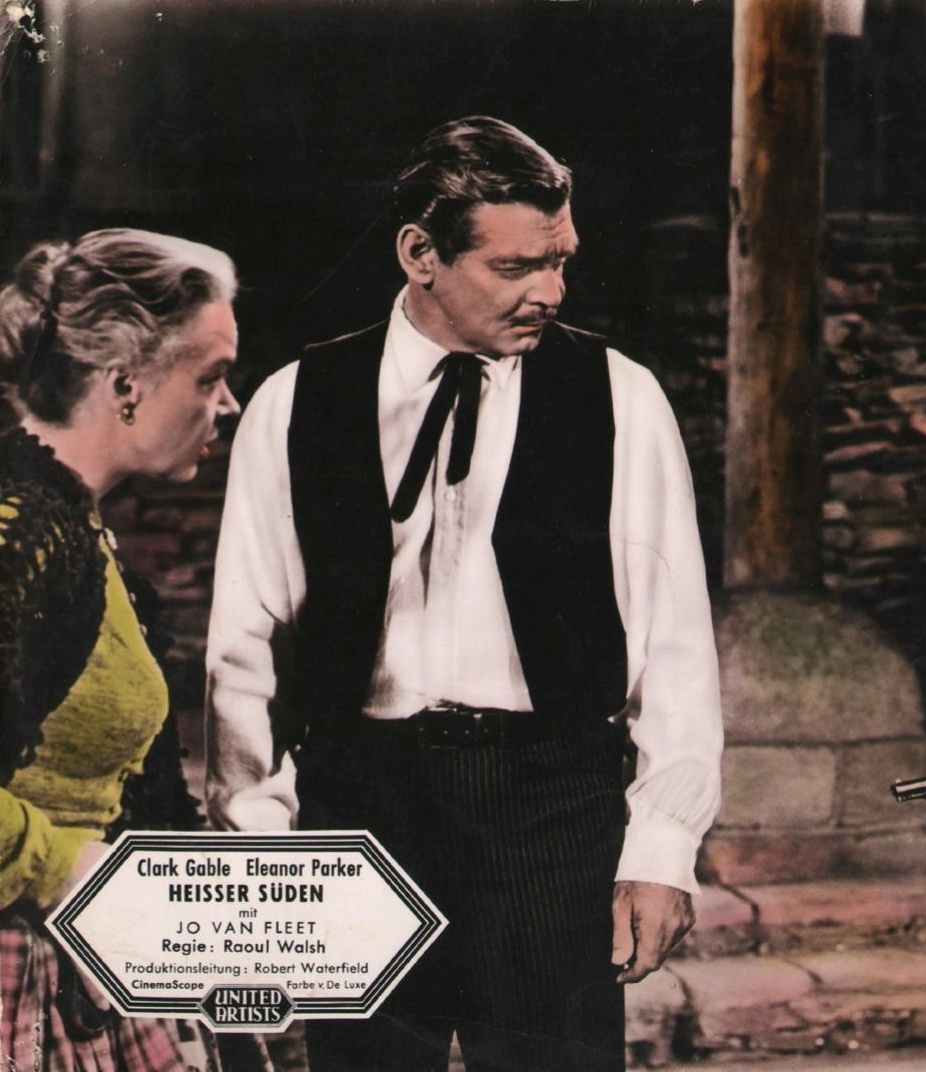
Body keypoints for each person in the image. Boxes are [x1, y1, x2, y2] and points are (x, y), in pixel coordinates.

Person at [204, 116, 723, 1072]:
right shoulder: (295, 401)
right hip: (359, 811)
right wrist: (262, 854)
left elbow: (677, 645)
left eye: (560, 261)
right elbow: (244, 652)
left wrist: (661, 846)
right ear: (421, 256)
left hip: (549, 813)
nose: (550, 292)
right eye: (516, 266)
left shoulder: (620, 397)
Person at [0, 229, 241, 1071]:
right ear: (126, 384)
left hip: (77, 967)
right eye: (210, 376)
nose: (228, 403)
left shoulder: (73, 528)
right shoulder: (21, 530)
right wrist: (62, 866)